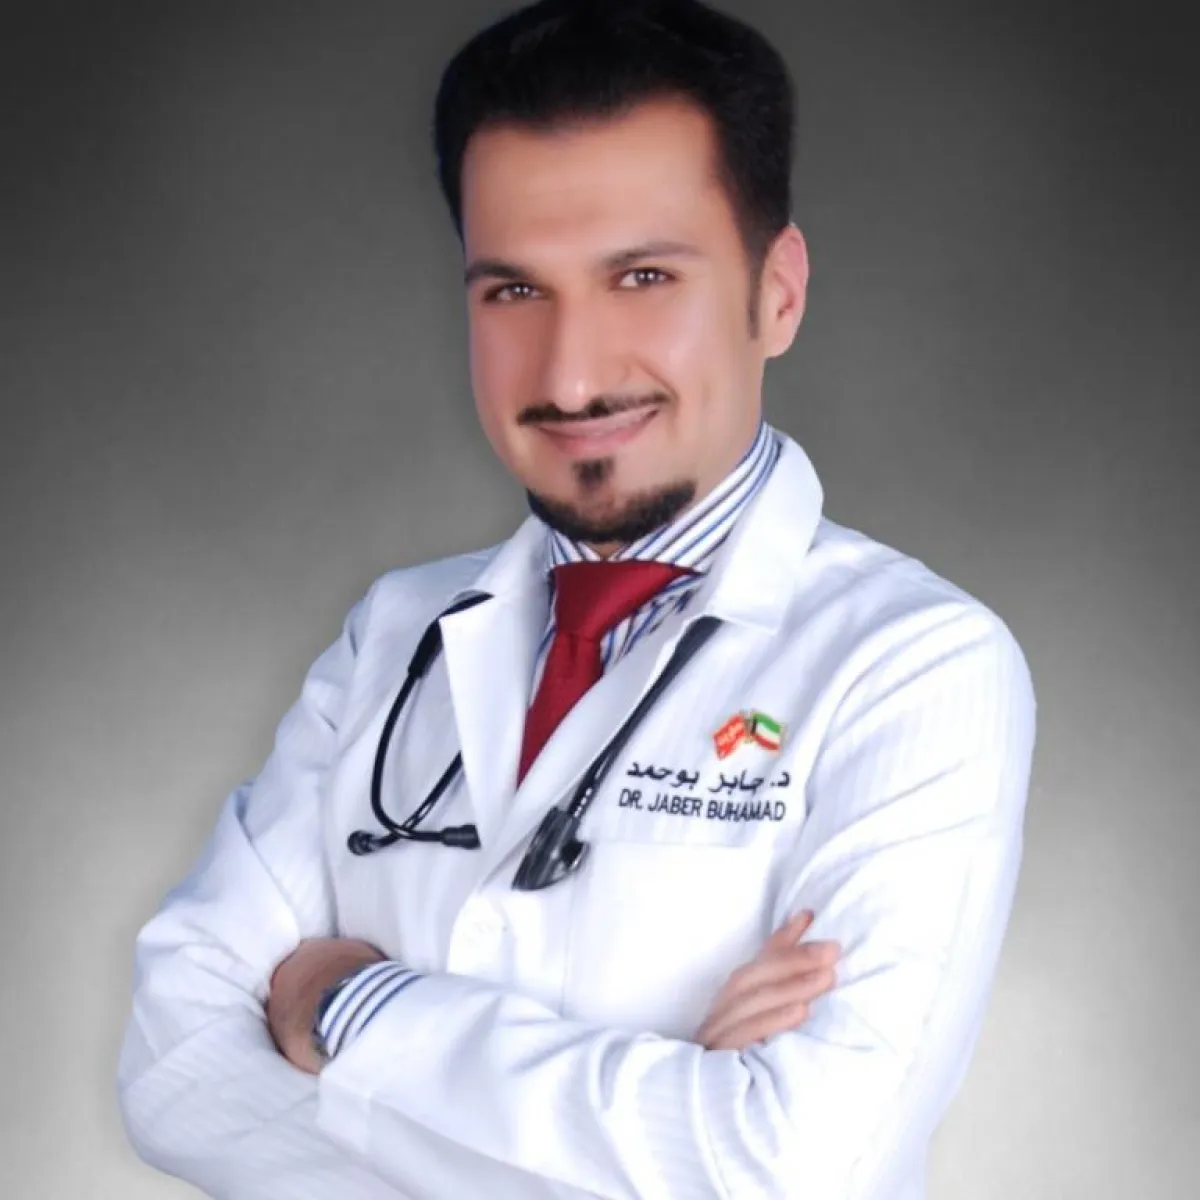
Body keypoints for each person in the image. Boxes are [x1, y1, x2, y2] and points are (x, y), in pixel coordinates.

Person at [116, 1, 1037, 1197]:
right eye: (513, 292)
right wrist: (661, 1109)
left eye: (642, 277)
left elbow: (800, 1166)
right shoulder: (394, 635)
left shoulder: (915, 667)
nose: (572, 372)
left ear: (777, 293)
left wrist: (344, 1000)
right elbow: (175, 1068)